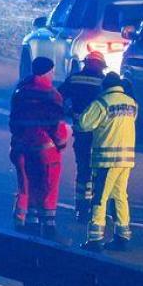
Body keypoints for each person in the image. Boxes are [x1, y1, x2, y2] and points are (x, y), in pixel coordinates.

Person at [75, 70, 138, 250]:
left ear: (104, 86)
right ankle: (123, 235)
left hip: (106, 160)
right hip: (126, 159)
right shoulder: (131, 103)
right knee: (120, 196)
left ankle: (95, 239)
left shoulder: (102, 102)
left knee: (100, 198)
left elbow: (84, 124)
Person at [9, 57, 70, 237]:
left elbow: (13, 120)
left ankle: (27, 222)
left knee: (27, 184)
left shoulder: (20, 91)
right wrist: (60, 143)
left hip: (20, 146)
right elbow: (57, 125)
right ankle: (49, 226)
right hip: (44, 149)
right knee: (47, 186)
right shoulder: (52, 94)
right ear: (47, 72)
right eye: (52, 71)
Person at [58, 51, 107, 220]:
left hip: (80, 132)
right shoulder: (103, 82)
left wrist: (69, 111)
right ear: (101, 66)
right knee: (98, 171)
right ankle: (96, 206)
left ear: (86, 63)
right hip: (100, 135)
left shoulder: (74, 79)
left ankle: (81, 208)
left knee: (83, 170)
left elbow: (59, 97)